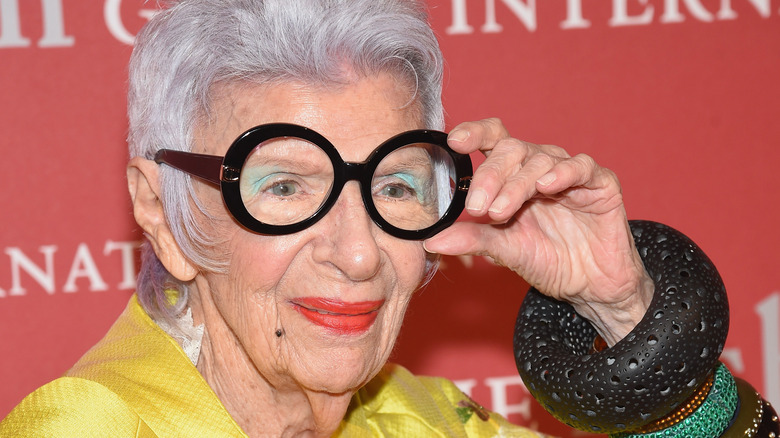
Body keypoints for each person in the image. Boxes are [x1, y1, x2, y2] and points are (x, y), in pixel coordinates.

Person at [1, 0, 775, 437]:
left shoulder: (420, 420)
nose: (359, 255)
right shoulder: (89, 427)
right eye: (284, 189)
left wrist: (623, 310)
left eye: (396, 187)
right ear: (161, 213)